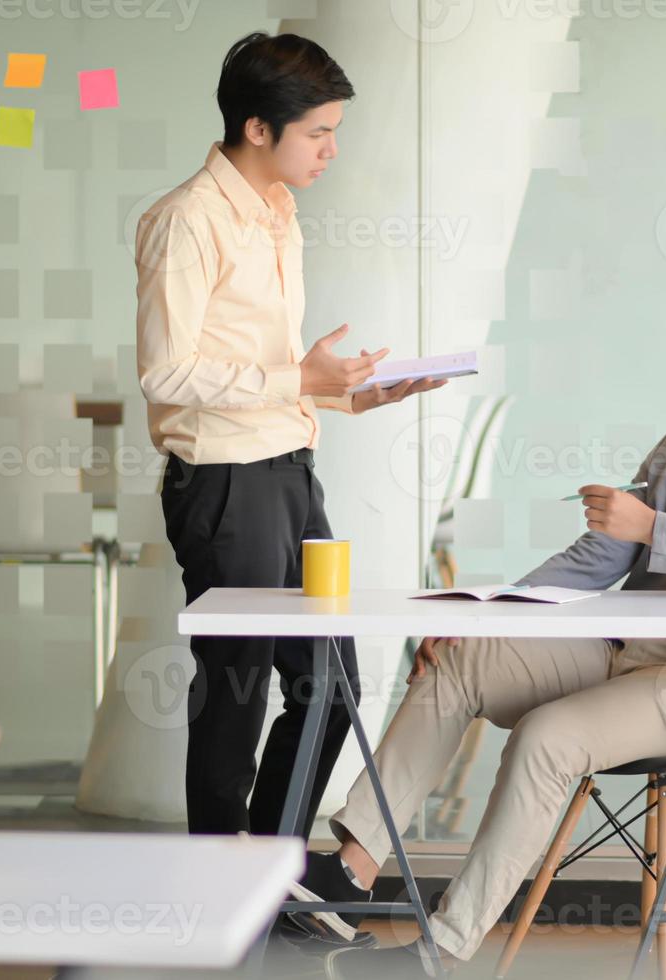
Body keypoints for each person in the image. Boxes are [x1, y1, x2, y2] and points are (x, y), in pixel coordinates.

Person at [296, 280, 666, 978]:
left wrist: (655, 527)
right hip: (619, 648)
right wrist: (484, 613)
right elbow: (599, 559)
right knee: (458, 663)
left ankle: (438, 951)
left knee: (548, 737)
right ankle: (348, 876)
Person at [134, 32, 446, 838]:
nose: (331, 150)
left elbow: (267, 369)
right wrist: (300, 382)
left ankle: (270, 877)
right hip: (225, 485)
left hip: (288, 471)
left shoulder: (278, 216)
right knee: (234, 698)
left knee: (330, 690)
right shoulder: (185, 221)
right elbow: (167, 375)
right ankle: (220, 892)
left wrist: (350, 395)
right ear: (258, 128)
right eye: (319, 131)